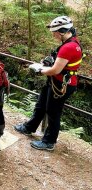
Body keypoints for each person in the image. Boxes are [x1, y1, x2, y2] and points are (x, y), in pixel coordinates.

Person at [14, 16, 83, 151]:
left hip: (62, 84)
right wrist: (48, 62)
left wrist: (40, 69)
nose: (53, 35)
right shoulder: (72, 41)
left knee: (53, 112)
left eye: (55, 33)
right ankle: (29, 127)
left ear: (62, 31)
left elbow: (55, 70)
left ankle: (49, 141)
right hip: (56, 81)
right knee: (41, 105)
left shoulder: (68, 47)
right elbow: (61, 64)